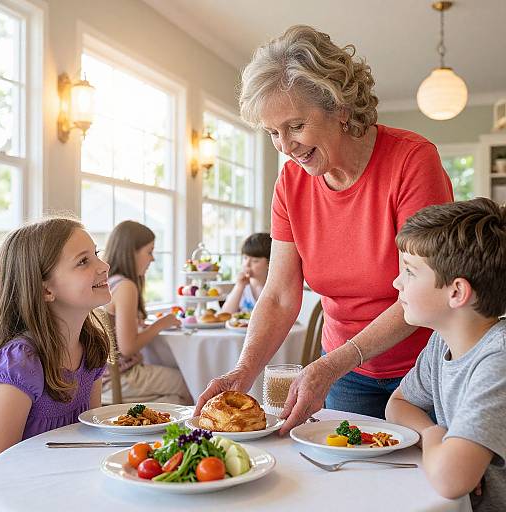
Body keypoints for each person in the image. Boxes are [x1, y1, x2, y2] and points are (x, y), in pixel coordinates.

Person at [194, 24, 453, 431]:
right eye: (272, 133)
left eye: (296, 126)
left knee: (430, 486)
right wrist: (243, 372)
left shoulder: (411, 162)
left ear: (340, 108)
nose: (285, 146)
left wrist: (332, 363)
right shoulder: (290, 185)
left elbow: (426, 288)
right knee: (345, 483)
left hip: (425, 371)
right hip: (346, 373)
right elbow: (279, 296)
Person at [386, 198, 506, 509]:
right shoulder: (442, 343)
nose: (396, 281)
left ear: (456, 292)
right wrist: (434, 433)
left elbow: (451, 480)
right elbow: (398, 403)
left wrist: (437, 443)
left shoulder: (498, 360)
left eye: (410, 272)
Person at [0, 218, 111, 456]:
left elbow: (93, 437)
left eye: (96, 253)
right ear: (46, 290)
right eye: (83, 261)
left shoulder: (92, 346)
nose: (104, 266)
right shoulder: (20, 364)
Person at [101, 220, 192, 405]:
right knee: (188, 383)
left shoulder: (109, 282)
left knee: (173, 398)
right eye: (149, 252)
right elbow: (128, 348)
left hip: (100, 379)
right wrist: (162, 324)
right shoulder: (125, 286)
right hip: (119, 378)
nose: (153, 259)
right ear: (131, 252)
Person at [221, 233, 272, 313]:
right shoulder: (243, 287)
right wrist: (239, 286)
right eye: (245, 258)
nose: (247, 264)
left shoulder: (274, 288)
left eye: (255, 261)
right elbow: (226, 314)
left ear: (269, 263)